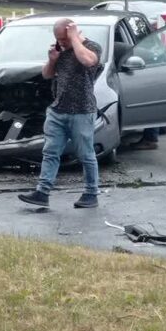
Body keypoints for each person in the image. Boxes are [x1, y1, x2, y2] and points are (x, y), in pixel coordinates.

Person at [19, 18, 103, 209]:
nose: (61, 43)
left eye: (63, 39)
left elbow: (88, 61)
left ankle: (91, 193)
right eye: (58, 39)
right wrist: (52, 59)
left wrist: (74, 39)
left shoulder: (91, 47)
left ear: (73, 32)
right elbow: (47, 75)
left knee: (86, 154)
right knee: (50, 152)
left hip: (82, 111)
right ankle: (42, 192)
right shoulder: (60, 50)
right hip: (57, 110)